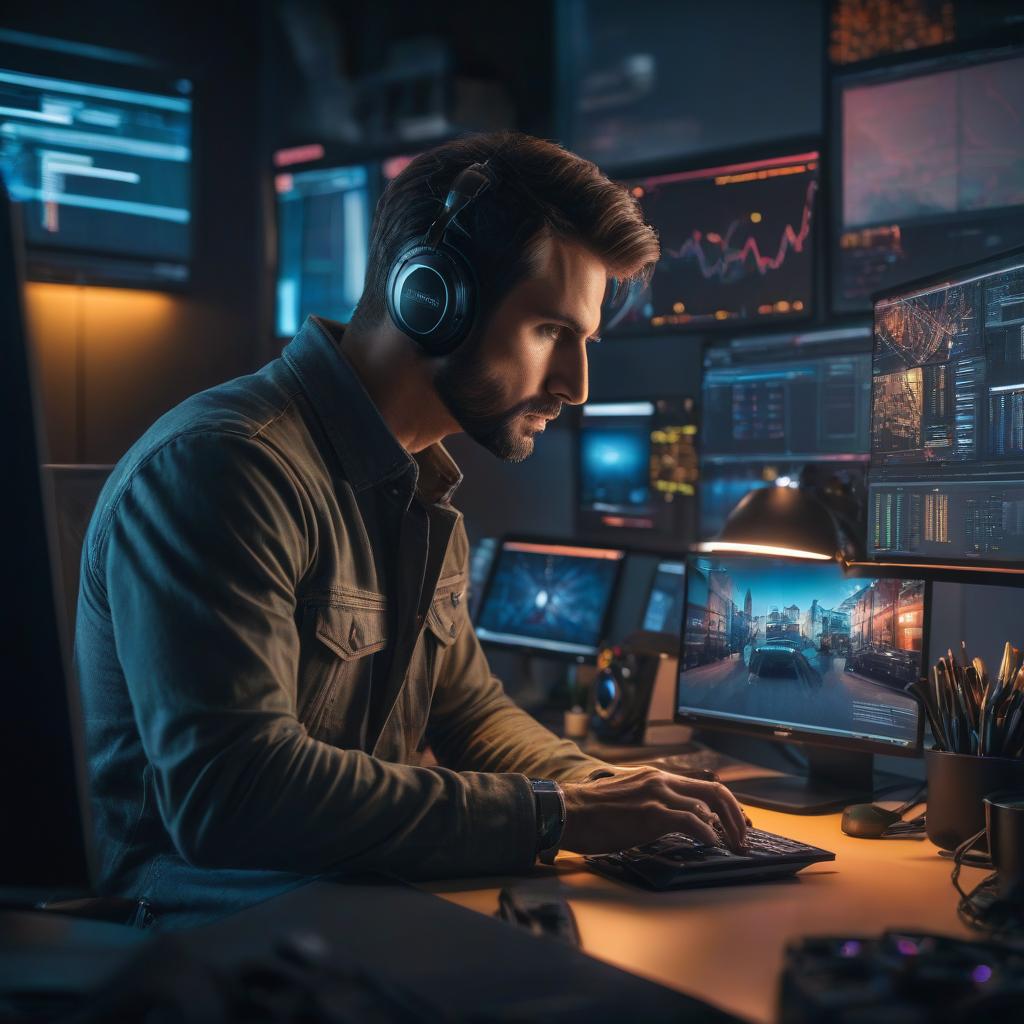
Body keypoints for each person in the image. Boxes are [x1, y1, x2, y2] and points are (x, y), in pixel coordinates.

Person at [76, 132, 746, 928]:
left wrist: (606, 792)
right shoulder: (226, 469)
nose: (576, 385)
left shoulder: (421, 492)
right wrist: (557, 816)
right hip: (205, 930)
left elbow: (470, 715)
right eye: (549, 333)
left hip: (346, 903)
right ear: (431, 297)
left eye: (584, 343)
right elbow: (233, 795)